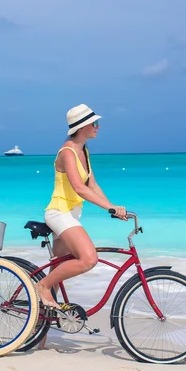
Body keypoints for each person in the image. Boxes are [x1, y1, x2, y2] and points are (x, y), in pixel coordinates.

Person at [36, 104, 127, 313]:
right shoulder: (68, 152)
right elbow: (79, 188)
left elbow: (92, 185)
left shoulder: (83, 151)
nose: (98, 126)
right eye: (94, 123)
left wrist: (112, 207)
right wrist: (109, 208)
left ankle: (41, 330)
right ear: (81, 126)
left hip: (71, 214)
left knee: (57, 268)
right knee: (88, 259)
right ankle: (41, 286)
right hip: (59, 213)